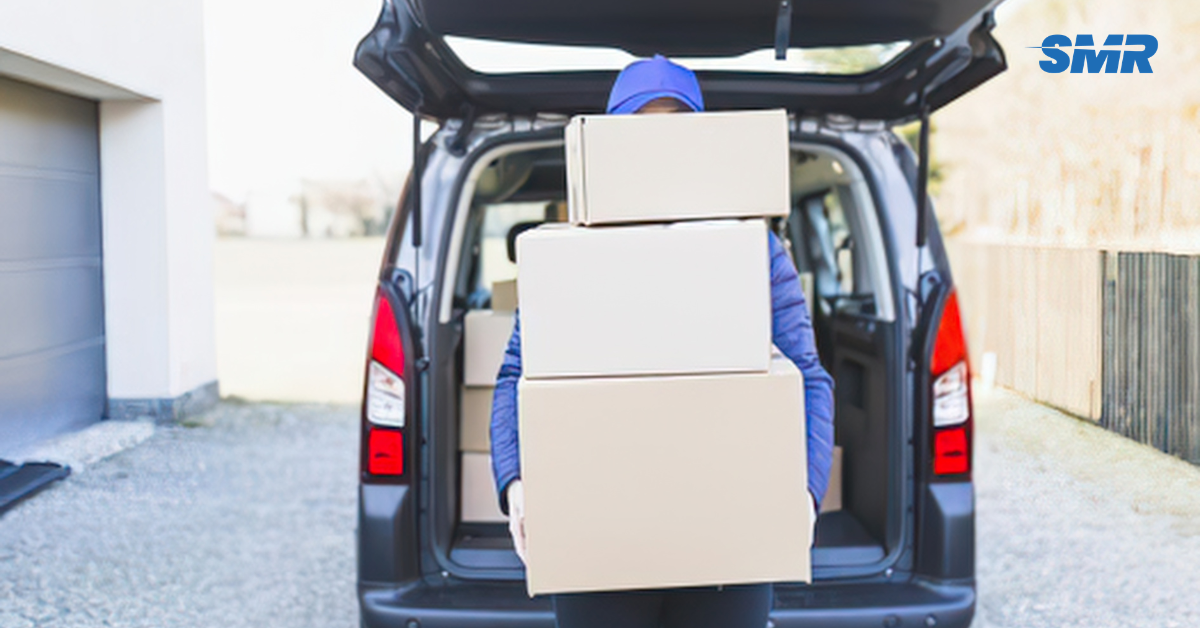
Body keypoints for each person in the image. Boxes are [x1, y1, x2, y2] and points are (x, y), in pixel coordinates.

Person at [489, 54, 836, 628]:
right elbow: (516, 377)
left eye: (673, 129)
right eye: (639, 131)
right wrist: (516, 481)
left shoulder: (752, 249)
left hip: (726, 540)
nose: (656, 150)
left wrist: (803, 490)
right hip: (599, 541)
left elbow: (806, 373)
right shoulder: (569, 254)